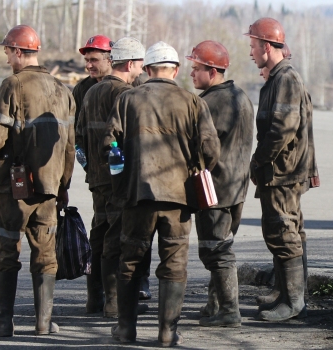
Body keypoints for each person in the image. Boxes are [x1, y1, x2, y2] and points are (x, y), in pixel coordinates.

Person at [104, 41, 220, 346]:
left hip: (137, 196)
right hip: (178, 201)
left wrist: (120, 186)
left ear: (146, 69)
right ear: (176, 70)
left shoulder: (127, 100)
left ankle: (126, 329)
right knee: (174, 265)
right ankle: (168, 332)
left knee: (130, 262)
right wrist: (197, 169)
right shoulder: (193, 102)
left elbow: (112, 148)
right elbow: (210, 148)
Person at [0, 25, 75, 336]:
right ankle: (43, 323)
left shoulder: (12, 85)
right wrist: (62, 185)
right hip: (49, 188)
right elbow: (68, 147)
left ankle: (1, 321)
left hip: (15, 186)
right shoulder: (63, 90)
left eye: (8, 50)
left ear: (19, 52)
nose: (6, 55)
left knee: (7, 249)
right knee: (45, 254)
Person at [245, 17, 315, 322]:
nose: (250, 52)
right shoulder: (278, 77)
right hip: (282, 170)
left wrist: (259, 160)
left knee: (284, 232)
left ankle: (294, 301)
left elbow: (282, 129)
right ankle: (285, 293)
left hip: (283, 172)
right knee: (284, 231)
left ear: (266, 45)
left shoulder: (285, 79)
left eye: (253, 45)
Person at [75, 37, 147, 318]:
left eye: (95, 59)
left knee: (100, 233)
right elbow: (130, 140)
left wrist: (90, 168)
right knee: (116, 238)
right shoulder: (125, 93)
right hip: (118, 180)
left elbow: (79, 138)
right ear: (129, 63)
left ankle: (96, 300)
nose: (89, 65)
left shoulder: (90, 93)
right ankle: (114, 304)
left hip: (98, 179)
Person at [186, 40, 253, 327]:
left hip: (215, 188)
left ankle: (229, 311)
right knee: (222, 244)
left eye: (196, 69)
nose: (191, 74)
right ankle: (215, 304)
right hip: (237, 187)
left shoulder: (209, 103)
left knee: (215, 249)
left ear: (212, 72)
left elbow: (200, 147)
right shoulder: (242, 97)